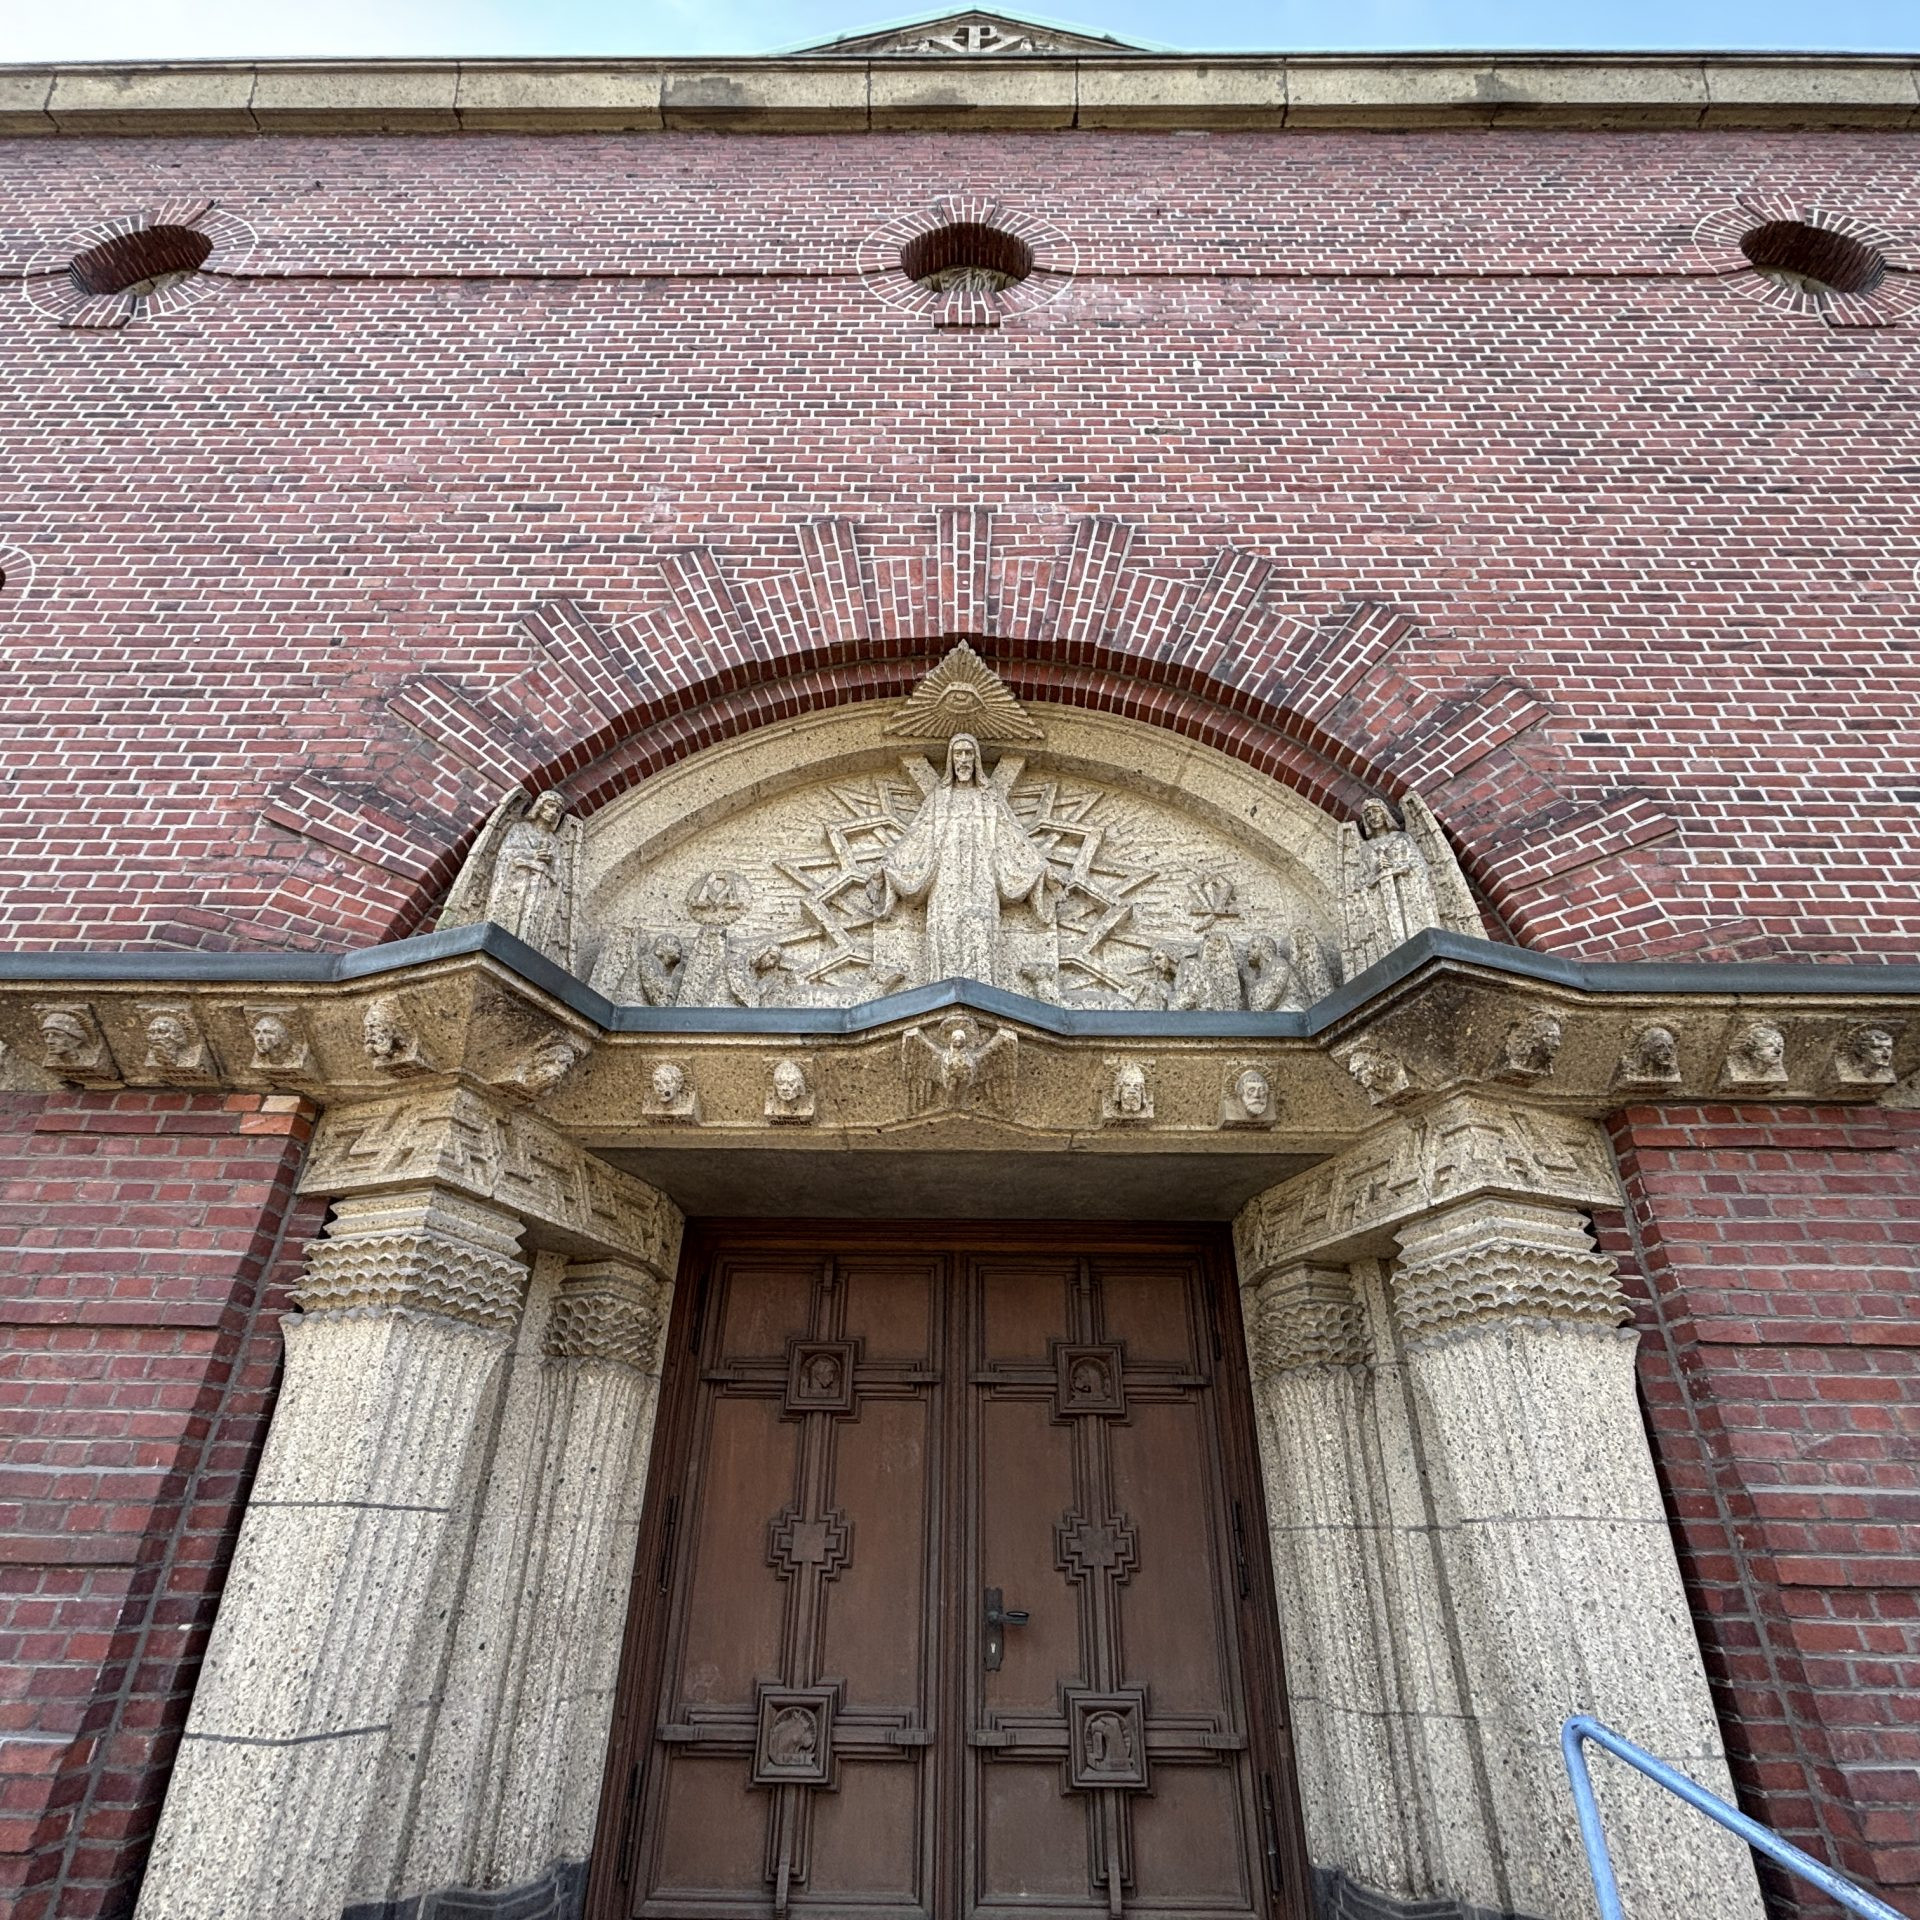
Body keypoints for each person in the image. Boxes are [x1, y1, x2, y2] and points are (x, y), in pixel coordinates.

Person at [878, 734, 1051, 988]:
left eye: (968, 754)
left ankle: (983, 989)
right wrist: (891, 868)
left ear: (976, 759)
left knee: (980, 926)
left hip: (982, 878)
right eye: (958, 754)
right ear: (950, 760)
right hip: (945, 880)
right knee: (945, 928)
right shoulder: (939, 798)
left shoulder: (988, 798)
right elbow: (919, 836)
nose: (963, 760)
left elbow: (1011, 836)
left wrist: (1039, 869)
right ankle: (941, 988)